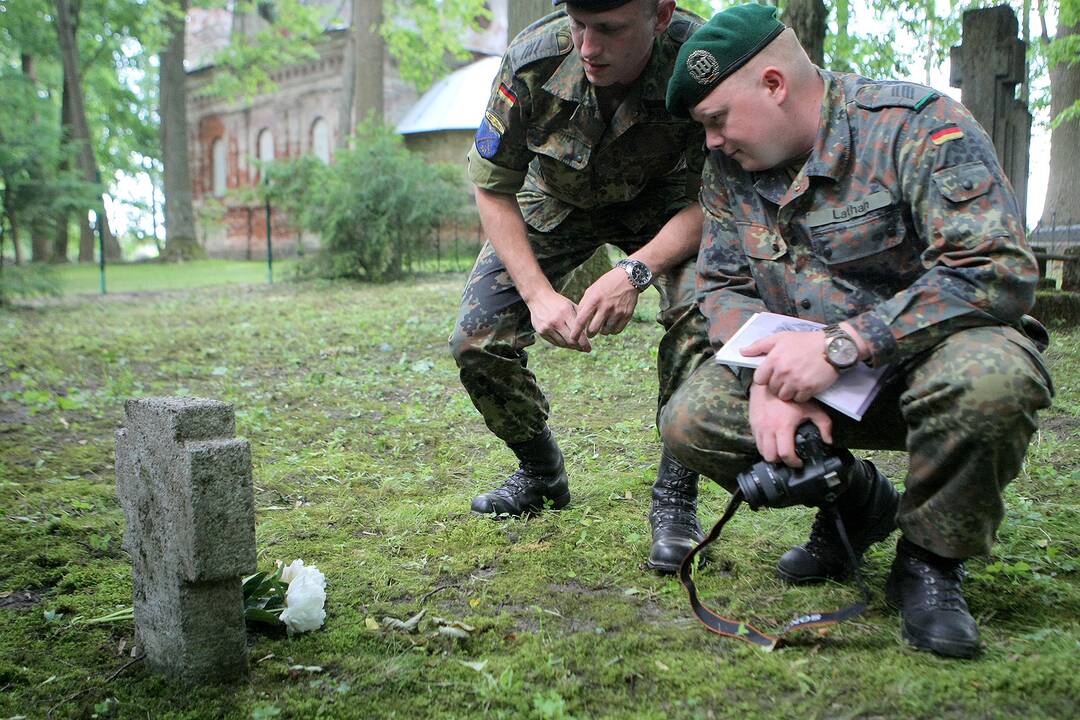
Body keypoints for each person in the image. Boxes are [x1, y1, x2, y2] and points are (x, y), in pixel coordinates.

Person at [661, 4, 1054, 657]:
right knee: (691, 421)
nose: (712, 140)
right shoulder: (730, 170)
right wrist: (766, 374)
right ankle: (855, 501)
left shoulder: (914, 126)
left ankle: (929, 563)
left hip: (928, 363)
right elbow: (720, 285)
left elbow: (994, 270)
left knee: (995, 380)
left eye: (716, 120)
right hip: (811, 381)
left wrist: (844, 347)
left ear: (774, 85)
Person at [449, 0, 713, 573]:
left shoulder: (703, 59)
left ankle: (675, 500)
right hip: (558, 199)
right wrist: (540, 295)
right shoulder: (531, 62)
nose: (588, 47)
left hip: (670, 208)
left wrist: (635, 270)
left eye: (610, 30)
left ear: (661, 15)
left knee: (706, 317)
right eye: (578, 26)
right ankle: (542, 475)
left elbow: (720, 196)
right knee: (477, 339)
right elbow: (492, 187)